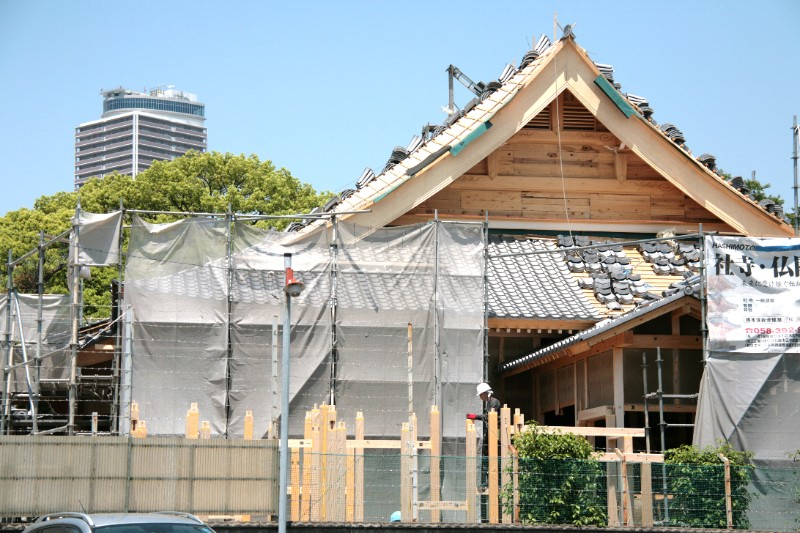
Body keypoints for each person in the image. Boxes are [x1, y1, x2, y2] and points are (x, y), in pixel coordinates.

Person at [466, 382, 501, 487]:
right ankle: (489, 479)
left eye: (481, 394)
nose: (480, 397)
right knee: (486, 453)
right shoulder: (489, 402)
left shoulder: (494, 402)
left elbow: (489, 416)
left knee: (494, 455)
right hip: (491, 432)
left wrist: (475, 416)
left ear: (486, 393)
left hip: (496, 433)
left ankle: (496, 480)